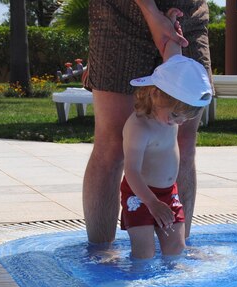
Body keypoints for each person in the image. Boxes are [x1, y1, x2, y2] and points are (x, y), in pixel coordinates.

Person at [82, 0, 211, 245]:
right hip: (119, 11)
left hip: (187, 11)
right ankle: (99, 253)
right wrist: (150, 11)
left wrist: (172, 31)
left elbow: (176, 60)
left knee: (184, 142)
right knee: (112, 144)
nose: (177, 121)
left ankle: (179, 250)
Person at [120, 15, 212, 259]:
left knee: (176, 251)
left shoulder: (171, 97)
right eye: (174, 115)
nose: (177, 122)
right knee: (145, 254)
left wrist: (171, 26)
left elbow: (174, 56)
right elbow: (131, 171)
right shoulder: (140, 127)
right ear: (156, 94)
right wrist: (151, 202)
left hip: (168, 193)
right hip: (140, 195)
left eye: (183, 118)